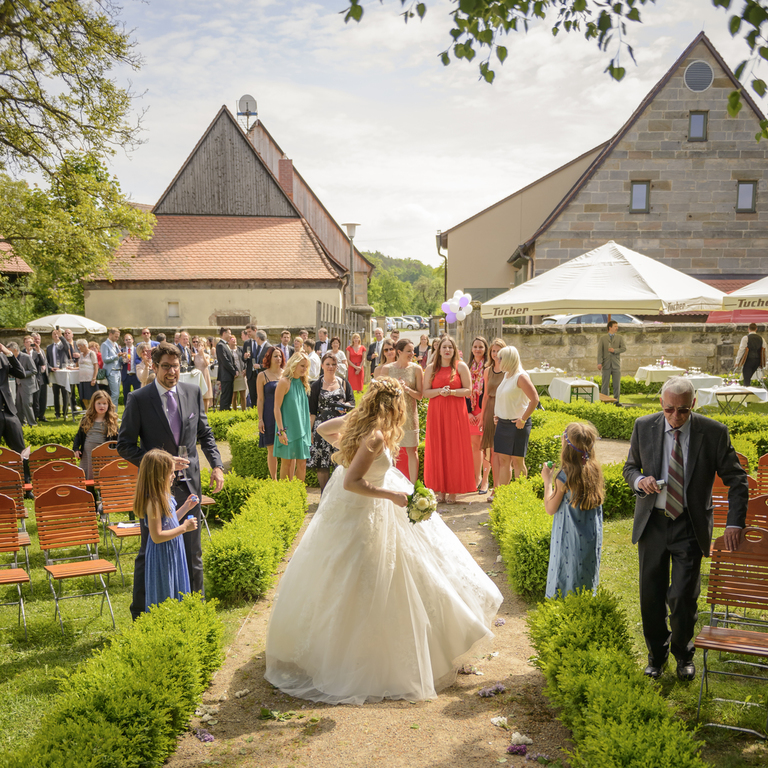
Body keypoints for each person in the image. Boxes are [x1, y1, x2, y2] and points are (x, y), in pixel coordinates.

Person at [264, 378, 503, 705]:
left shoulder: (362, 426)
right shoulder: (374, 435)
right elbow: (351, 481)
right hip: (363, 510)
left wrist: (352, 423)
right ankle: (356, 655)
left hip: (360, 510)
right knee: (366, 576)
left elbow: (322, 429)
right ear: (392, 405)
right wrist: (391, 494)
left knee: (377, 572)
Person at [623, 376, 749, 681]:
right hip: (653, 523)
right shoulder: (644, 426)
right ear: (661, 403)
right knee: (651, 595)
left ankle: (683, 654)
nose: (675, 416)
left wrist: (734, 523)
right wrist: (640, 481)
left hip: (690, 524)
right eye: (669, 409)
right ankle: (656, 656)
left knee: (682, 596)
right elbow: (630, 468)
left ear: (693, 404)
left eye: (682, 410)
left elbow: (737, 480)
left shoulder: (713, 432)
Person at [117, 341, 225, 620]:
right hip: (156, 487)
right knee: (150, 549)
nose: (172, 372)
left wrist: (217, 466)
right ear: (154, 367)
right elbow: (124, 445)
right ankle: (142, 614)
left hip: (189, 485)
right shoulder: (139, 399)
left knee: (192, 549)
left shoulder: (192, 391)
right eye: (165, 366)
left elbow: (205, 433)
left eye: (175, 366)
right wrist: (161, 463)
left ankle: (195, 609)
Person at [542, 423, 604, 599]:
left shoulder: (564, 475)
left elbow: (550, 508)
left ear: (566, 445)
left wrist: (547, 481)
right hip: (590, 537)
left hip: (568, 539)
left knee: (565, 573)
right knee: (585, 574)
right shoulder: (594, 469)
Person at [135, 449, 200, 611]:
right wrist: (184, 528)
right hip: (162, 555)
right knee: (165, 593)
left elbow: (169, 522)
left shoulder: (164, 496)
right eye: (170, 472)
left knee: (176, 588)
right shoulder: (154, 502)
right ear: (158, 476)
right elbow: (157, 536)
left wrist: (185, 507)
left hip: (173, 551)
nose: (174, 476)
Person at [423, 336, 476, 504]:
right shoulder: (431, 368)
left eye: (450, 347)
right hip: (436, 412)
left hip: (456, 412)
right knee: (438, 448)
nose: (447, 350)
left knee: (454, 449)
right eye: (444, 347)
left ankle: (453, 490)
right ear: (438, 350)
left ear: (454, 350)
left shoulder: (461, 366)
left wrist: (451, 392)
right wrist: (440, 391)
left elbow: (468, 390)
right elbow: (425, 392)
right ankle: (441, 490)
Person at [308, 353, 355, 491]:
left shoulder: (344, 383)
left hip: (340, 427)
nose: (330, 367)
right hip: (321, 429)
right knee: (322, 464)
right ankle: (324, 495)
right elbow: (312, 412)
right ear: (322, 366)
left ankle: (338, 495)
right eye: (327, 364)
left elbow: (352, 402)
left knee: (340, 462)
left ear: (337, 366)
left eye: (333, 364)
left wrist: (345, 405)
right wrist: (310, 432)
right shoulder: (316, 385)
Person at [493, 346, 539, 485]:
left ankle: (520, 492)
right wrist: (498, 414)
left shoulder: (521, 377)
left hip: (517, 424)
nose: (498, 361)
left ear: (508, 359)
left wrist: (523, 420)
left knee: (517, 462)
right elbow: (504, 397)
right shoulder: (507, 375)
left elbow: (535, 399)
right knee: (503, 461)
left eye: (501, 358)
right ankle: (503, 493)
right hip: (503, 424)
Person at [381, 339, 423, 482]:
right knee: (391, 450)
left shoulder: (416, 369)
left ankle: (412, 486)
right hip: (392, 416)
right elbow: (381, 394)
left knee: (412, 450)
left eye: (413, 351)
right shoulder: (387, 369)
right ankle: (392, 485)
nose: (412, 354)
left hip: (410, 416)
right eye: (409, 351)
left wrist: (407, 389)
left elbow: (420, 395)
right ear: (399, 352)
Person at [274, 352, 311, 481]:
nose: (304, 369)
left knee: (302, 465)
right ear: (294, 364)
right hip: (287, 430)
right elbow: (276, 408)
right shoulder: (284, 382)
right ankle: (285, 491)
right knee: (287, 464)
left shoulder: (302, 382)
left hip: (302, 430)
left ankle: (299, 492)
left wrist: (308, 431)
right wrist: (281, 432)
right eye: (302, 365)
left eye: (306, 366)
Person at [73, 391, 119, 480]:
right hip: (87, 454)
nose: (102, 406)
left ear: (108, 405)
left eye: (104, 403)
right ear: (93, 404)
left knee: (102, 477)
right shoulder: (86, 419)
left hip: (104, 455)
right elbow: (78, 436)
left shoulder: (111, 422)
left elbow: (118, 439)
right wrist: (76, 449)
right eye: (99, 403)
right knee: (87, 477)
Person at [467, 337, 491, 494]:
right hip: (471, 412)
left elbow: (490, 391)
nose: (477, 349)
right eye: (475, 346)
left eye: (480, 347)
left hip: (485, 410)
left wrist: (483, 411)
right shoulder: (467, 367)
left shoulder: (489, 368)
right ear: (471, 349)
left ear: (485, 349)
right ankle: (477, 478)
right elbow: (464, 390)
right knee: (475, 446)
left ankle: (486, 480)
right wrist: (468, 412)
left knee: (486, 447)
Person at [257, 347, 285, 480]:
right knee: (272, 449)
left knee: (285, 447)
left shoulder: (286, 374)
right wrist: (260, 419)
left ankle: (286, 480)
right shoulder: (262, 375)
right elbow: (260, 399)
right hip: (269, 415)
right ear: (269, 358)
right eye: (275, 356)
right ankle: (274, 480)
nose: (278, 359)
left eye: (280, 356)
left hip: (284, 414)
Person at [0, 342, 25, 452]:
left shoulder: (3, 357)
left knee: (21, 452)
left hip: (9, 411)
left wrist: (9, 354)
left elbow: (21, 373)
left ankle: (23, 464)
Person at [8, 342, 37, 427]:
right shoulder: (12, 358)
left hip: (27, 385)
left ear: (15, 350)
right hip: (18, 385)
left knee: (27, 405)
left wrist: (22, 374)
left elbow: (34, 370)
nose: (8, 353)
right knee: (18, 405)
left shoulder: (27, 357)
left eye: (9, 351)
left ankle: (32, 424)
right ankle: (21, 423)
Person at [597, 320, 626, 404]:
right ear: (610, 327)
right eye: (615, 326)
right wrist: (599, 363)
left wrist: (615, 350)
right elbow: (600, 351)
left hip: (616, 364)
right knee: (605, 383)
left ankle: (616, 401)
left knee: (616, 383)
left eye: (617, 326)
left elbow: (624, 348)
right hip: (606, 364)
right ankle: (604, 400)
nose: (617, 328)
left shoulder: (620, 338)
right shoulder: (603, 338)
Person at [46, 329, 71, 419]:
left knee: (65, 393)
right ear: (52, 336)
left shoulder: (63, 345)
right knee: (56, 394)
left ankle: (65, 412)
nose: (56, 335)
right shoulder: (49, 347)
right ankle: (57, 413)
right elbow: (47, 361)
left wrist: (61, 336)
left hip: (63, 372)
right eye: (54, 334)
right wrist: (50, 368)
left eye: (57, 334)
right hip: (54, 373)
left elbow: (67, 346)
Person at [735, 322, 766, 386]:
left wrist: (737, 361)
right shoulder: (761, 338)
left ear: (748, 329)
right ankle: (748, 388)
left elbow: (741, 350)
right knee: (749, 377)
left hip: (748, 360)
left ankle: (747, 389)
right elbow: (765, 350)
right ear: (756, 329)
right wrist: (764, 362)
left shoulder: (746, 338)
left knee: (746, 378)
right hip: (757, 360)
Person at [215, 327, 236, 411]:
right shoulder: (220, 345)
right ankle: (223, 412)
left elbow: (231, 359)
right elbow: (225, 361)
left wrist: (235, 369)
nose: (230, 335)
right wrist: (234, 371)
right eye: (229, 333)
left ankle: (227, 411)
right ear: (224, 333)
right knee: (225, 397)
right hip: (225, 375)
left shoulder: (225, 345)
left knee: (229, 397)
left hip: (229, 376)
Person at [29, 335, 49, 422]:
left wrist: (50, 368)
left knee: (43, 397)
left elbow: (45, 363)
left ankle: (42, 415)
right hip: (36, 377)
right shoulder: (31, 351)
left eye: (38, 339)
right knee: (36, 399)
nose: (37, 341)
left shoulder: (42, 350)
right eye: (35, 339)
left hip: (43, 376)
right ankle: (36, 415)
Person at [101, 327, 122, 407]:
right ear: (110, 334)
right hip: (111, 371)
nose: (117, 338)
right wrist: (117, 356)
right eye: (116, 336)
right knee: (115, 394)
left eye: (118, 337)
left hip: (118, 370)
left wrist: (123, 357)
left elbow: (118, 357)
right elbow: (105, 359)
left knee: (116, 394)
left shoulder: (115, 344)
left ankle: (113, 412)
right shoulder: (105, 344)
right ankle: (111, 412)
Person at [62, 328, 82, 414]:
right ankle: (73, 407)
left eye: (68, 333)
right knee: (71, 390)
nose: (67, 334)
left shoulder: (77, 344)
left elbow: (85, 353)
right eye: (65, 333)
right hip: (70, 369)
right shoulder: (62, 345)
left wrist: (79, 355)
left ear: (72, 335)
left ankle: (83, 406)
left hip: (79, 369)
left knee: (80, 389)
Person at [75, 339, 98, 410]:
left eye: (79, 347)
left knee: (91, 397)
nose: (79, 349)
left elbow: (96, 366)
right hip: (82, 379)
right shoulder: (81, 354)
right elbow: (80, 366)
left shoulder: (91, 353)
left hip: (89, 379)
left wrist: (94, 378)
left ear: (84, 345)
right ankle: (87, 411)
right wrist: (72, 368)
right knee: (83, 398)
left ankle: (92, 411)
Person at [193, 338, 213, 413]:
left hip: (204, 374)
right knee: (198, 395)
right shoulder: (195, 356)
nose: (200, 347)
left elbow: (206, 364)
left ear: (204, 347)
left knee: (206, 396)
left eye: (202, 345)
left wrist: (203, 355)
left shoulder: (207, 355)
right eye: (199, 345)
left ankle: (206, 412)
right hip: (197, 375)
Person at [243, 324, 260, 408]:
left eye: (249, 331)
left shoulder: (261, 341)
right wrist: (245, 357)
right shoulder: (246, 343)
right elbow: (243, 359)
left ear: (255, 330)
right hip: (250, 373)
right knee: (253, 395)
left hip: (260, 372)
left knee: (261, 395)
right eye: (247, 332)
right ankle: (254, 412)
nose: (248, 334)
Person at [228, 334, 247, 411]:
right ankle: (235, 411)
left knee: (243, 394)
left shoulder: (240, 349)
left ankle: (244, 411)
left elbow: (245, 360)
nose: (234, 340)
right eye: (232, 339)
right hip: (233, 375)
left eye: (235, 339)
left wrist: (245, 369)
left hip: (241, 373)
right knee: (234, 395)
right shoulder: (228, 350)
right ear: (228, 341)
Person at [121, 333, 140, 402]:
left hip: (135, 375)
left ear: (132, 340)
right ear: (124, 341)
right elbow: (118, 362)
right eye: (126, 340)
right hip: (126, 376)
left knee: (138, 394)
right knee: (126, 395)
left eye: (129, 339)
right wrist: (123, 361)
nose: (128, 341)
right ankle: (127, 408)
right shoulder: (122, 350)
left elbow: (140, 360)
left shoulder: (137, 350)